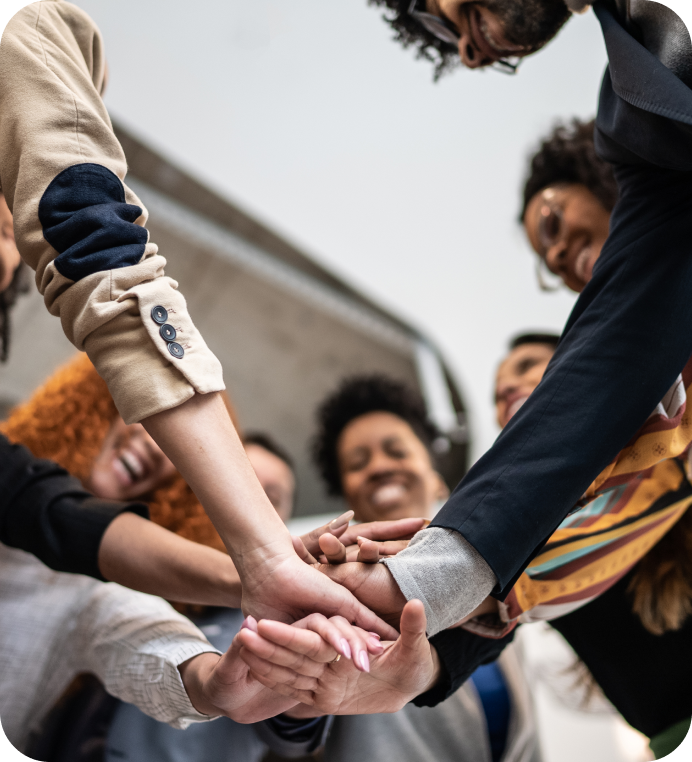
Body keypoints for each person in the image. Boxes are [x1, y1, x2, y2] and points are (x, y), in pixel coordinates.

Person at [319, 0, 692, 665]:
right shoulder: (649, 145)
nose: (463, 51)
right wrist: (429, 576)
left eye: (440, 18)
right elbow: (608, 377)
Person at [0, 0, 391, 635]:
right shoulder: (37, 37)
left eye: (12, 234)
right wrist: (262, 553)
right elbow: (93, 243)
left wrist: (254, 569)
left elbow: (31, 503)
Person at [301, 375, 541, 762]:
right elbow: (297, 728)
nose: (379, 467)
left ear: (437, 479)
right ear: (347, 494)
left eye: (396, 451)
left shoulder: (495, 580)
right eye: (357, 463)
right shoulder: (335, 592)